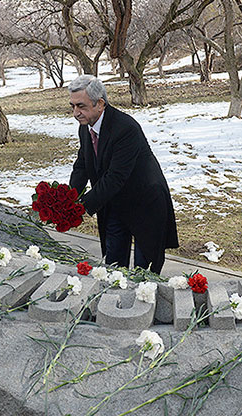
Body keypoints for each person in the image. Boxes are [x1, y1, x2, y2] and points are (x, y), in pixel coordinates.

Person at [68, 75, 178, 274]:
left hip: (144, 202)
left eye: (81, 106)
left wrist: (81, 206)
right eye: (73, 106)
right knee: (113, 265)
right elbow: (82, 165)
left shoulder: (125, 128)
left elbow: (115, 176)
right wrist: (68, 198)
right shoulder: (86, 127)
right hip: (115, 201)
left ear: (100, 103)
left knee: (144, 271)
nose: (76, 113)